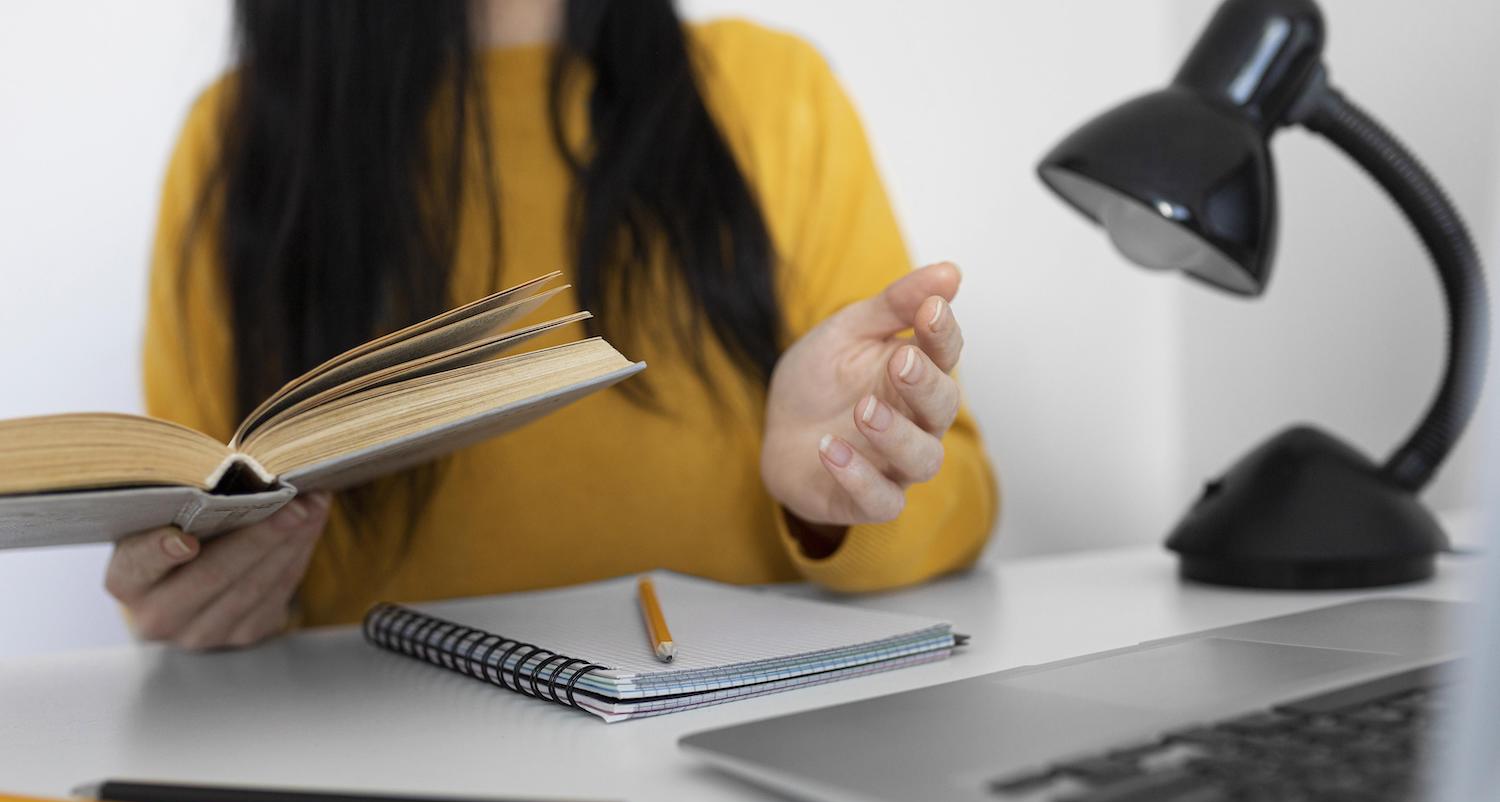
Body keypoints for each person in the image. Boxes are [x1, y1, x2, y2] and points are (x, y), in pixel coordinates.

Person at [105, 0, 998, 650]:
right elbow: (192, 547)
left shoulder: (771, 94)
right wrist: (204, 608)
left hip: (737, 773)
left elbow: (961, 495)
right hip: (379, 781)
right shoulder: (237, 143)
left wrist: (838, 500)